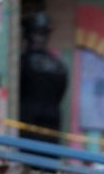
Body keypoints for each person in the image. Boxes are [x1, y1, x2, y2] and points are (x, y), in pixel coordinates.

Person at [19, 12, 68, 143]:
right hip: (51, 122)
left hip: (28, 122)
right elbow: (60, 94)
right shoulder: (58, 65)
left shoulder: (22, 62)